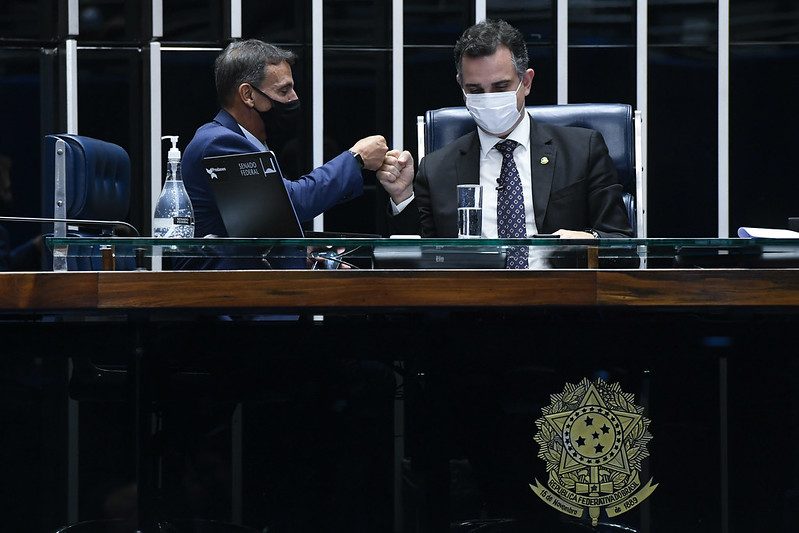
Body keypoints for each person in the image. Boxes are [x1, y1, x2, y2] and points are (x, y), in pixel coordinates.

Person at [377, 19, 633, 251]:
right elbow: (417, 260)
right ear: (461, 88)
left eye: (501, 87)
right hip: (474, 296)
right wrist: (403, 198)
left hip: (559, 294)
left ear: (527, 82)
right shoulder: (436, 168)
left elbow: (622, 246)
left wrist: (586, 239)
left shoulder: (583, 150)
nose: (489, 99)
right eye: (475, 89)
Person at [182, 39, 388, 242]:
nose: (294, 98)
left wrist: (306, 255)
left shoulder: (245, 141)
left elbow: (261, 228)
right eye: (283, 91)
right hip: (219, 275)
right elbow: (288, 205)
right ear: (248, 94)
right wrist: (356, 158)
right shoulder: (219, 144)